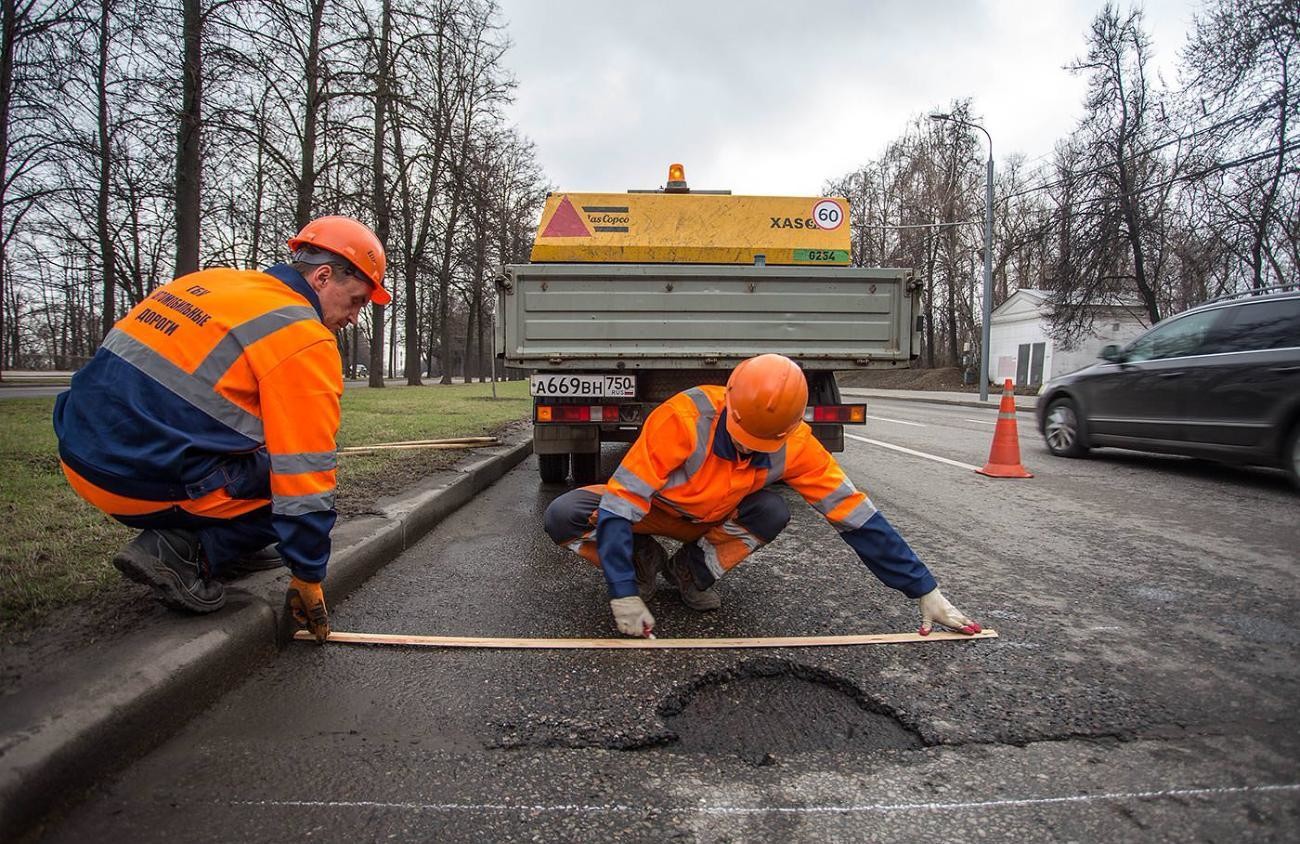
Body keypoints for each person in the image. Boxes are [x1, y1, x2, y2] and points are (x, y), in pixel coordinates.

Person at [53, 216, 390, 642]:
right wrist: (307, 573)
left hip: (78, 453)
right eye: (357, 300)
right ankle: (186, 553)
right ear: (323, 277)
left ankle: (223, 544)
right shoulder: (303, 336)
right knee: (289, 491)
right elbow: (304, 477)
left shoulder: (212, 284)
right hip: (131, 480)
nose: (356, 317)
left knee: (260, 457)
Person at [543, 353, 982, 638]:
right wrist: (622, 591)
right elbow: (621, 505)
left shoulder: (799, 443)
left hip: (712, 517)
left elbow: (857, 519)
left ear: (789, 429)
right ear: (730, 404)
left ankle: (689, 574)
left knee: (771, 509)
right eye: (745, 437)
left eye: (764, 442)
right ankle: (642, 563)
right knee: (564, 514)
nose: (751, 449)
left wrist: (924, 589)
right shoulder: (682, 417)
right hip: (653, 512)